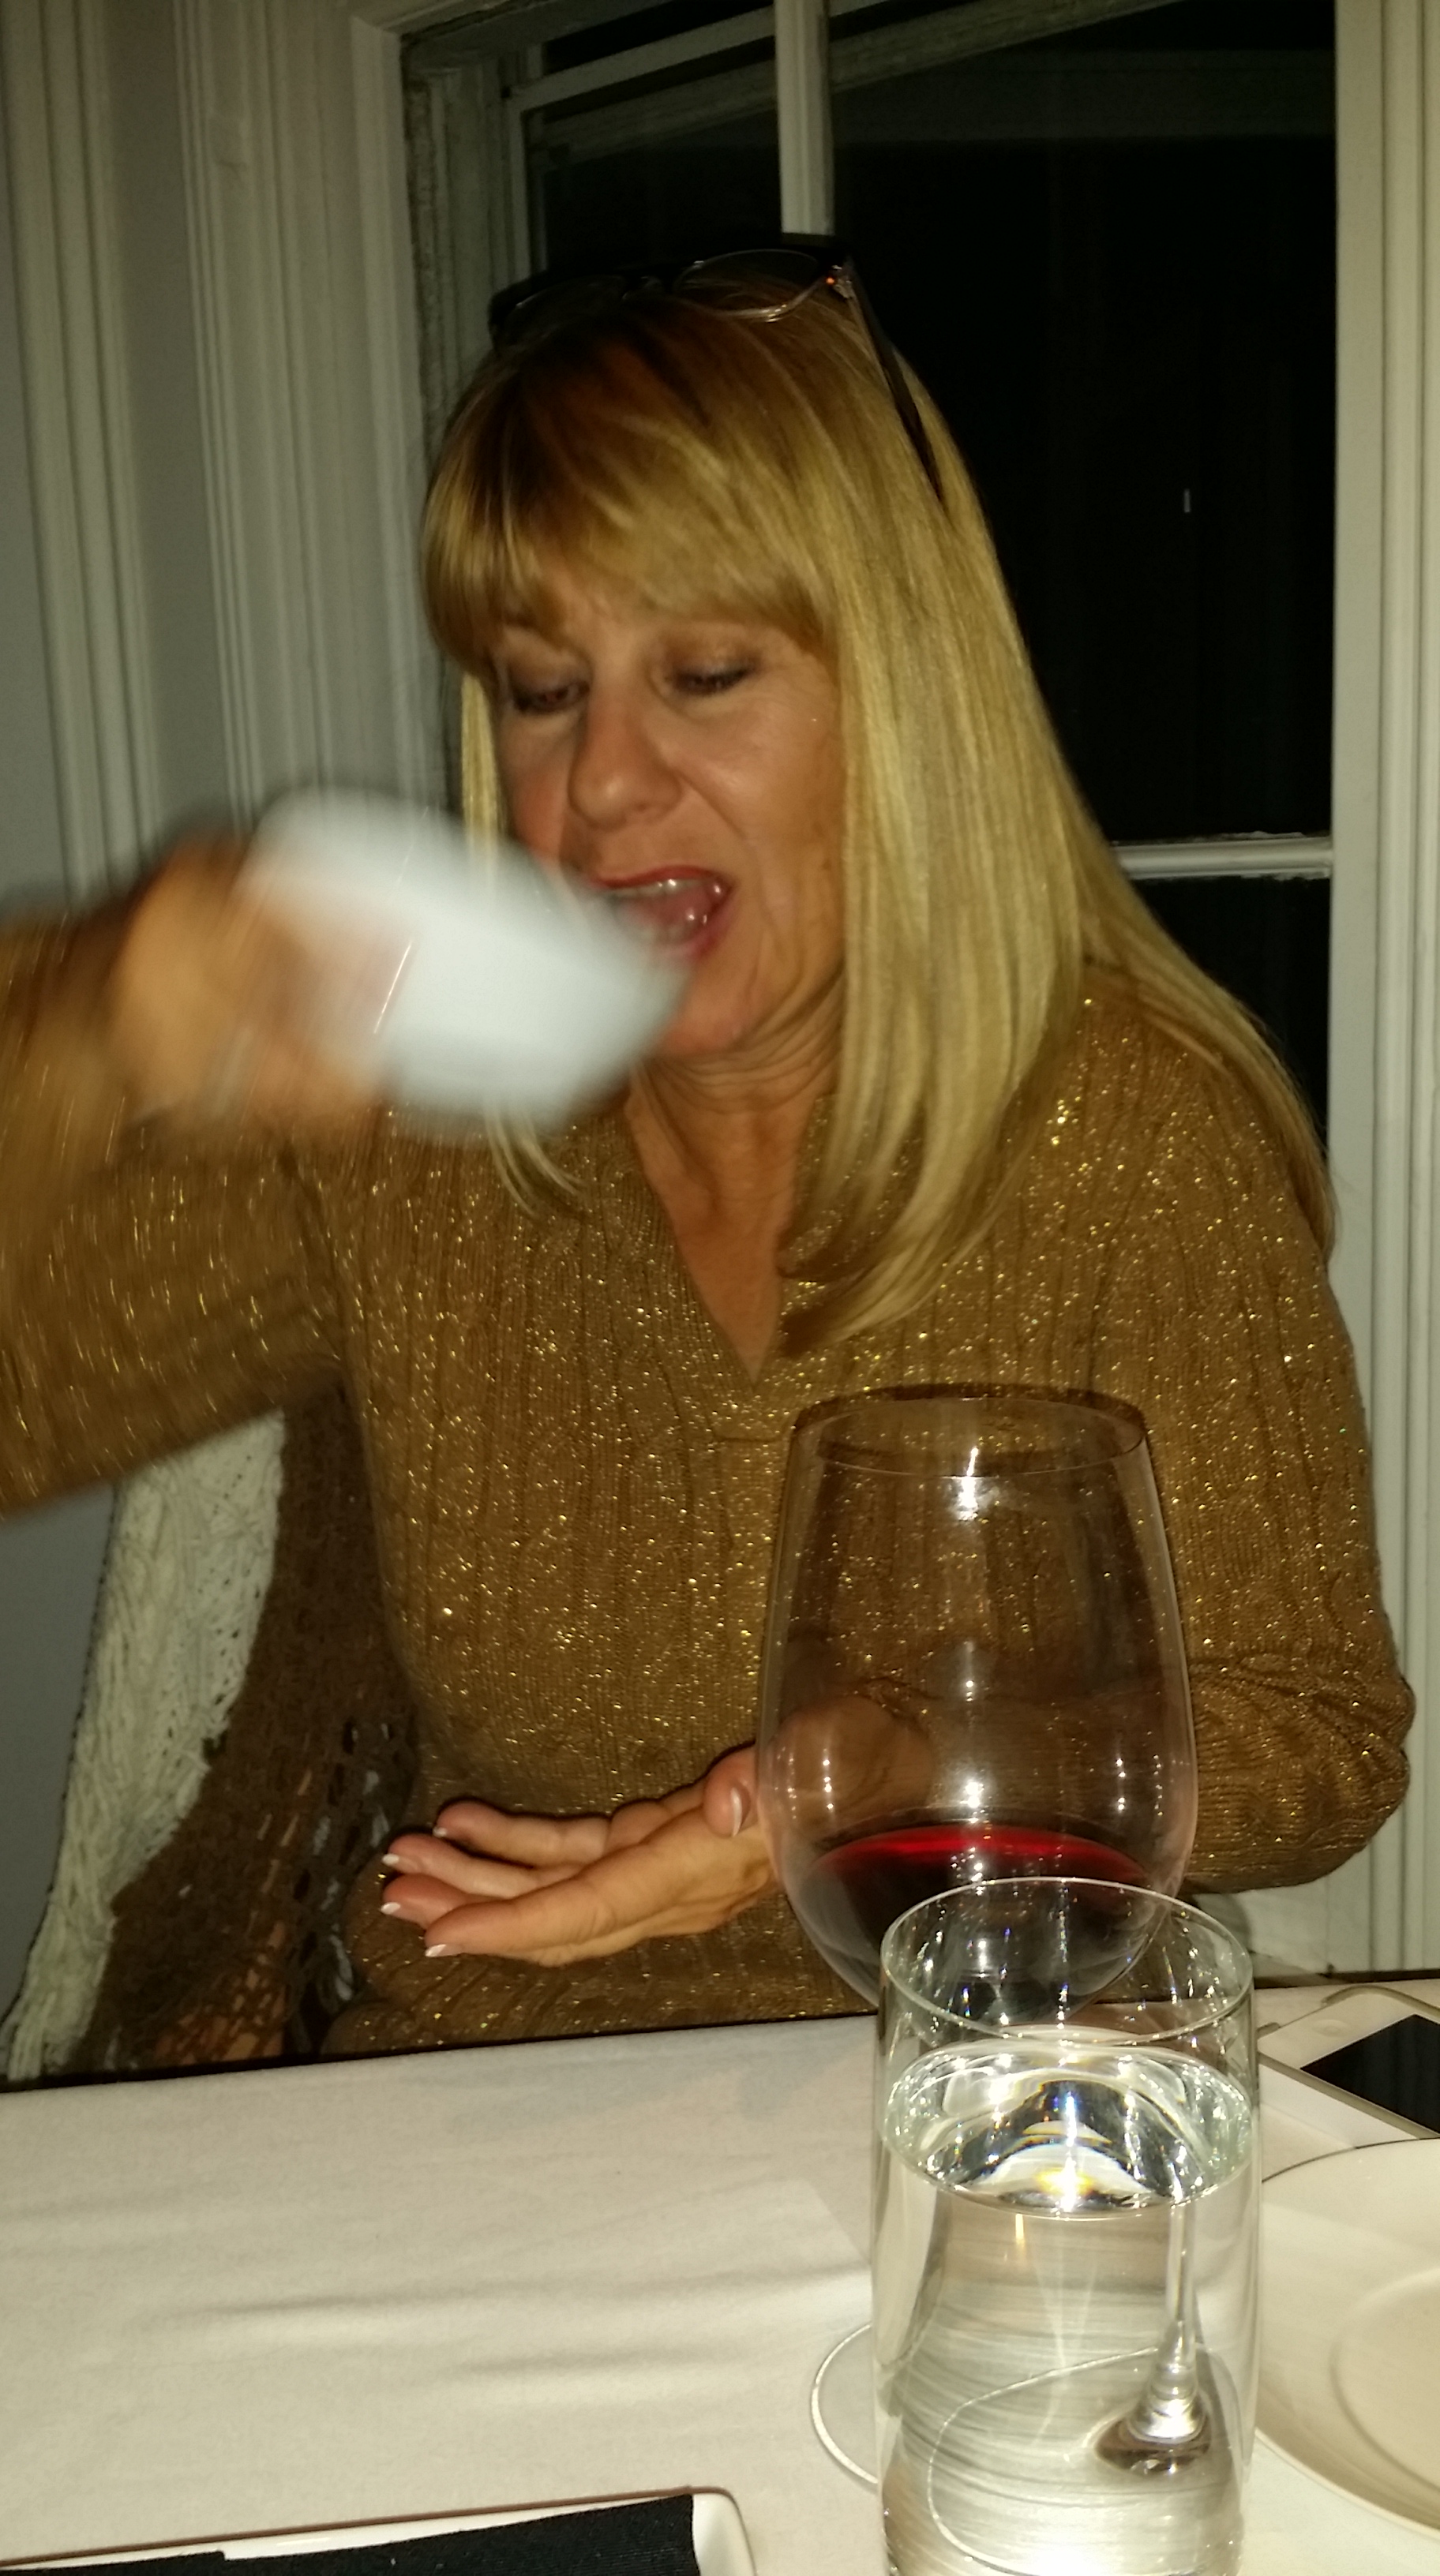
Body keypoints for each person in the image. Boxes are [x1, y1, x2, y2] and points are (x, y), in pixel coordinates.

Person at [0, 248, 1411, 2058]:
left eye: (708, 672)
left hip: (996, 2078)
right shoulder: (422, 1130)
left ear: (904, 700)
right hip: (477, 2102)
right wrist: (75, 1020)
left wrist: (893, 1774)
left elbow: (1318, 1736)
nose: (601, 783)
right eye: (541, 688)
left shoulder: (1137, 1139)